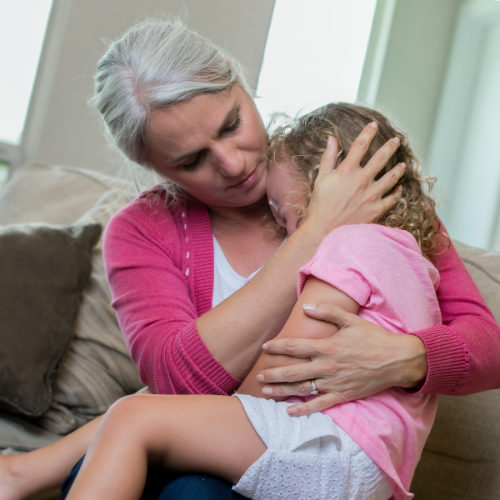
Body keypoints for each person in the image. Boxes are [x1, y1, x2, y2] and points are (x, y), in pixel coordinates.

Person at [0, 16, 498, 500]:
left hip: (306, 451)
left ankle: (23, 474)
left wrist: (405, 358)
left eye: (232, 123)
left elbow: (487, 345)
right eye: (191, 160)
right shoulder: (141, 230)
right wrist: (317, 229)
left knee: (184, 486)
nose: (234, 164)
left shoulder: (356, 181)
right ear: (150, 165)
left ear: (240, 82)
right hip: (225, 441)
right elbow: (176, 380)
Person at [60, 101, 445, 500]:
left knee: (132, 418)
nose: (280, 225)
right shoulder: (408, 257)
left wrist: (194, 414)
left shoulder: (350, 244)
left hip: (333, 446)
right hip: (364, 453)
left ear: (329, 191)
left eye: (282, 212)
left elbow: (277, 373)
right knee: (140, 424)